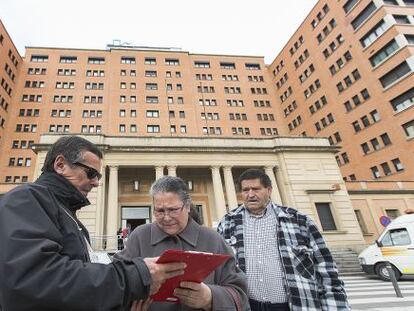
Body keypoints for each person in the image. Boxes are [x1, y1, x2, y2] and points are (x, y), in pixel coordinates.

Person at [0, 136, 185, 311]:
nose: (96, 183)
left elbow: (77, 292)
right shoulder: (26, 199)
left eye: (98, 176)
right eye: (90, 173)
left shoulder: (69, 217)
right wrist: (137, 276)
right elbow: (36, 280)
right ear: (60, 165)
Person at [217, 169, 350, 311]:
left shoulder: (299, 221)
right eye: (245, 190)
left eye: (256, 189)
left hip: (293, 305)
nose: (250, 195)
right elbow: (219, 269)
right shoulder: (227, 223)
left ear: (269, 190)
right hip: (247, 305)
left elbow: (326, 269)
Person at [115, 176, 249, 311]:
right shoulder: (139, 236)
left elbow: (239, 294)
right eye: (160, 211)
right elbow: (115, 283)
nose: (166, 217)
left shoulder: (213, 239)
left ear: (188, 207)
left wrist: (210, 297)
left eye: (173, 210)